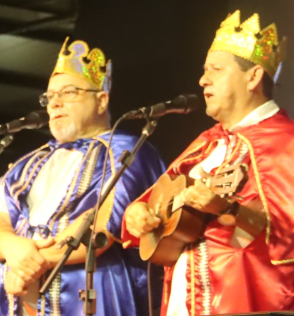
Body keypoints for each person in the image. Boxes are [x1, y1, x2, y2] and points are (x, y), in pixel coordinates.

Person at [0, 38, 166, 316]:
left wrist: (29, 262)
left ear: (101, 99)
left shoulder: (126, 149)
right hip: (21, 298)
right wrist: (13, 248)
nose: (55, 104)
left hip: (91, 293)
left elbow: (102, 225)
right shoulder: (30, 161)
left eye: (68, 93)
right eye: (50, 97)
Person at [123, 10, 294, 314]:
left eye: (215, 70)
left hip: (242, 301)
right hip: (182, 300)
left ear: (253, 76)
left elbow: (287, 234)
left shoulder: (286, 144)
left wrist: (230, 209)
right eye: (205, 70)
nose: (203, 80)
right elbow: (154, 201)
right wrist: (137, 213)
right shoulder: (206, 142)